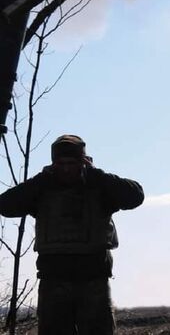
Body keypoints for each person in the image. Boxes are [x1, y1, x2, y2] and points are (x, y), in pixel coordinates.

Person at [0, 134, 144, 335]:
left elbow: (135, 196)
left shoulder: (99, 187)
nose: (66, 169)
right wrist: (40, 180)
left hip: (93, 279)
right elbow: (5, 205)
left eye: (72, 163)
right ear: (54, 164)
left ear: (83, 162)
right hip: (54, 280)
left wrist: (98, 175)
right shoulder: (43, 189)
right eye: (61, 164)